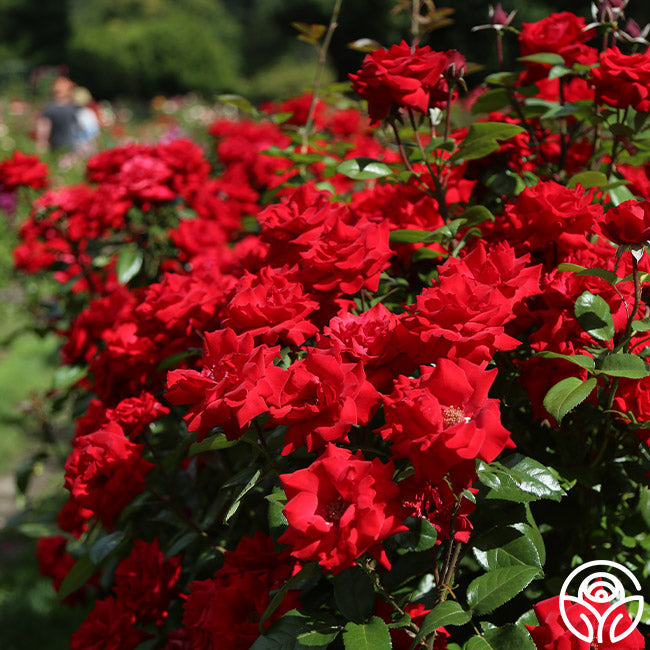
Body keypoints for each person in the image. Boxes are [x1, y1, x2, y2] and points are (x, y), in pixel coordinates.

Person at [35, 76, 79, 153]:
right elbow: (43, 126)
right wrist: (42, 142)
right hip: (60, 146)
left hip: (69, 146)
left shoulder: (73, 106)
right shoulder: (51, 108)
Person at [72, 86, 100, 155]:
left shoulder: (72, 113)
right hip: (88, 145)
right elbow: (95, 132)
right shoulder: (89, 113)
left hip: (77, 145)